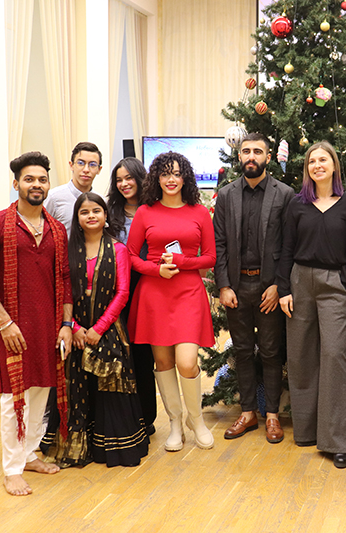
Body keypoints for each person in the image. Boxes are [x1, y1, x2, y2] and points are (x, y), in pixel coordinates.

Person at [0, 151, 73, 496]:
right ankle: (12, 468)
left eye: (42, 179)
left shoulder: (57, 229)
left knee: (42, 390)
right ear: (16, 184)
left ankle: (29, 454)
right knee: (13, 396)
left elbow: (64, 278)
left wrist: (66, 323)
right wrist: (4, 322)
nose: (36, 185)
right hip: (12, 326)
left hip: (49, 325)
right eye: (29, 179)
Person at [44, 193, 149, 467]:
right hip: (74, 331)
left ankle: (109, 449)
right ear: (77, 219)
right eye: (84, 212)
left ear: (105, 216)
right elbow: (62, 291)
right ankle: (78, 447)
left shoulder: (118, 249)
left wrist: (99, 329)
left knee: (110, 387)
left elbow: (122, 293)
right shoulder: (67, 250)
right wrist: (75, 327)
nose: (91, 216)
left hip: (109, 329)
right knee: (76, 386)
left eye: (96, 211)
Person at [277, 141, 346, 469]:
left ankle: (337, 441)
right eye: (312, 161)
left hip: (335, 285)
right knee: (300, 356)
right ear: (307, 169)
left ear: (334, 165)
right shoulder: (297, 204)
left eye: (323, 159)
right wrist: (284, 289)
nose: (317, 165)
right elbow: (286, 248)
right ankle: (306, 431)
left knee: (334, 355)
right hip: (300, 282)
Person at [127, 151, 216, 452]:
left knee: (187, 363)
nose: (171, 179)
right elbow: (130, 255)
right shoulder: (145, 212)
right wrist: (157, 270)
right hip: (155, 293)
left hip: (188, 292)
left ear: (185, 177)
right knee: (163, 363)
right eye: (165, 174)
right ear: (157, 178)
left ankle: (196, 420)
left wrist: (181, 261)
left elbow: (210, 257)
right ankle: (175, 423)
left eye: (177, 173)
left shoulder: (199, 212)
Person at [213, 133, 294, 443]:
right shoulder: (226, 195)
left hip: (268, 287)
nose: (251, 156)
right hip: (236, 287)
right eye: (246, 151)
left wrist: (278, 286)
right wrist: (223, 285)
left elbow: (289, 246)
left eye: (257, 151)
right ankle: (247, 413)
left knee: (272, 352)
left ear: (268, 157)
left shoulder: (284, 194)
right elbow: (219, 244)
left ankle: (272, 415)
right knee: (243, 351)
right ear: (239, 156)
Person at [107, 157, 157, 436]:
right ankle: (119, 418)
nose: (124, 184)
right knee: (117, 354)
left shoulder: (154, 210)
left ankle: (146, 417)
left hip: (146, 286)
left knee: (142, 354)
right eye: (119, 180)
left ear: (140, 178)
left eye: (129, 178)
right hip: (113, 290)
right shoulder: (108, 212)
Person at [45, 142, 103, 235]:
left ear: (99, 169)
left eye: (92, 164)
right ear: (71, 165)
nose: (86, 170)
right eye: (80, 163)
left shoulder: (102, 202)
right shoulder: (54, 198)